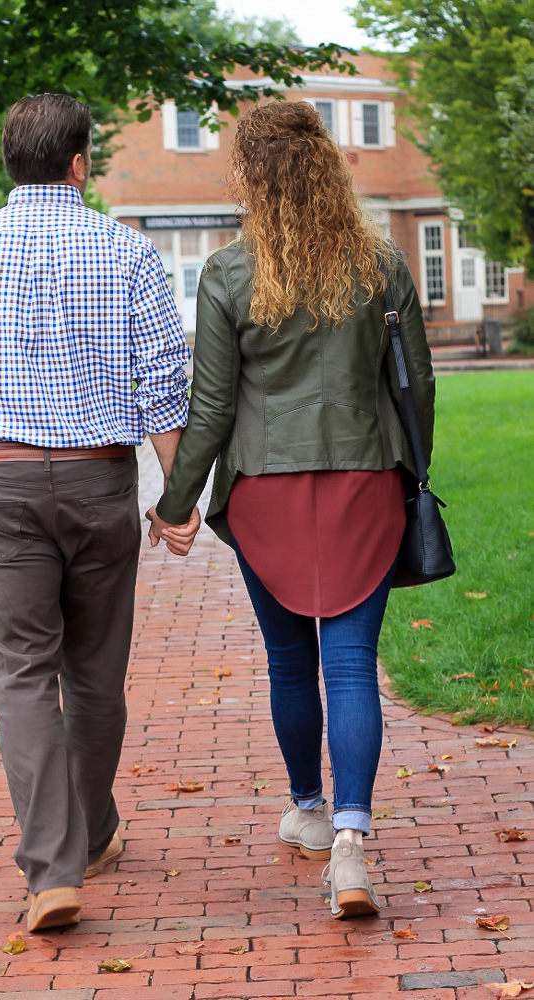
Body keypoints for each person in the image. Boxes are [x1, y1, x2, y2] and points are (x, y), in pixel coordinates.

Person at [0, 93, 198, 932]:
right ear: (78, 164)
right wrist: (176, 501)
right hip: (103, 482)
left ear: (10, 163)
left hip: (1, 485)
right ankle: (93, 829)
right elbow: (163, 391)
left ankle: (51, 868)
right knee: (96, 670)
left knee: (23, 671)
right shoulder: (129, 254)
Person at [147, 101, 435, 919]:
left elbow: (209, 408)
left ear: (249, 176)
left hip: (265, 490)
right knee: (350, 665)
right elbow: (416, 387)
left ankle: (307, 807)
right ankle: (349, 842)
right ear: (325, 168)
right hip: (362, 483)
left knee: (287, 661)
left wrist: (172, 506)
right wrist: (413, 476)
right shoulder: (378, 264)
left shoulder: (229, 272)